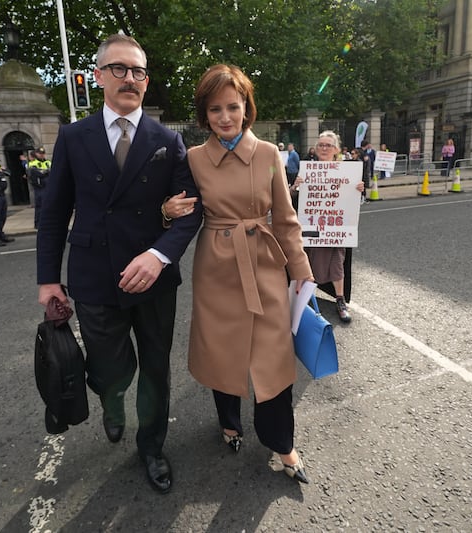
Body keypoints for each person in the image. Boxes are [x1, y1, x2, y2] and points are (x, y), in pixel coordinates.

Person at [36, 34, 202, 494]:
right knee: (111, 370)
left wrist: (158, 254)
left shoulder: (168, 140)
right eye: (119, 69)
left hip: (153, 279)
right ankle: (111, 400)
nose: (130, 79)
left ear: (146, 82)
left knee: (154, 369)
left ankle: (151, 447)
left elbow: (192, 211)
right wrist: (48, 279)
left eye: (138, 72)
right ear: (98, 76)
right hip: (93, 276)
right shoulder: (73, 137)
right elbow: (52, 213)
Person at [164, 64, 314, 484]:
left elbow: (284, 218)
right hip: (216, 266)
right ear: (204, 114)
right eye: (215, 109)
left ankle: (282, 442)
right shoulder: (193, 158)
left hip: (264, 263)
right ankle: (229, 423)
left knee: (273, 356)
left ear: (247, 106)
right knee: (223, 350)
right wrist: (165, 210)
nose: (225, 117)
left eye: (233, 106)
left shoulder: (268, 153)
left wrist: (300, 270)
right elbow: (178, 208)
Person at [291, 131, 363, 323]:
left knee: (337, 261)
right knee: (306, 259)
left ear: (336, 150)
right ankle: (302, 299)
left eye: (328, 145)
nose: (324, 148)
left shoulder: (347, 173)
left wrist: (358, 190)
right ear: (315, 148)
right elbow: (290, 199)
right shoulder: (307, 170)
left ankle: (340, 300)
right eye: (321, 145)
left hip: (334, 228)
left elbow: (353, 202)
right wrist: (295, 186)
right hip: (310, 227)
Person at [28, 147, 51, 229]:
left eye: (43, 153)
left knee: (48, 206)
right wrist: (47, 171)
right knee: (40, 207)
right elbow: (39, 173)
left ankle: (47, 222)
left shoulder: (48, 162)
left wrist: (45, 171)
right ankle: (38, 223)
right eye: (40, 153)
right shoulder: (33, 163)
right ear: (36, 154)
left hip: (48, 187)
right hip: (40, 188)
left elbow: (52, 171)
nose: (41, 155)